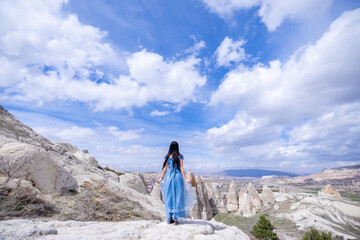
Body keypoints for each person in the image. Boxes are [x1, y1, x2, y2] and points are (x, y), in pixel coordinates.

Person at [157, 141, 196, 225]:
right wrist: (185, 179)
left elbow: (165, 169)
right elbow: (181, 168)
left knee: (169, 197)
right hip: (178, 178)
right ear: (177, 147)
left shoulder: (167, 156)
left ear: (170, 147)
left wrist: (161, 178)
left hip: (169, 178)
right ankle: (176, 219)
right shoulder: (180, 156)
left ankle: (169, 218)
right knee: (178, 197)